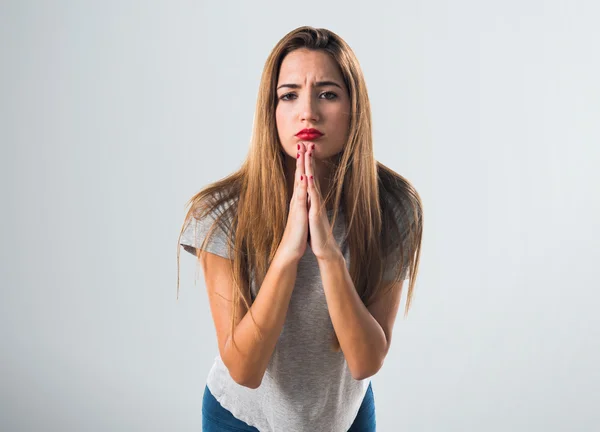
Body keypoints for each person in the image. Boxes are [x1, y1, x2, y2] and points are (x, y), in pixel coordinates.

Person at [177, 26, 423, 432]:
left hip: (344, 415)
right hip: (240, 418)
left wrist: (327, 254)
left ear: (353, 108)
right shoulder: (218, 214)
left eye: (327, 93)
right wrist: (289, 253)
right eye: (289, 95)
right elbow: (244, 369)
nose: (307, 111)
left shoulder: (394, 207)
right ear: (270, 111)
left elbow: (365, 362)